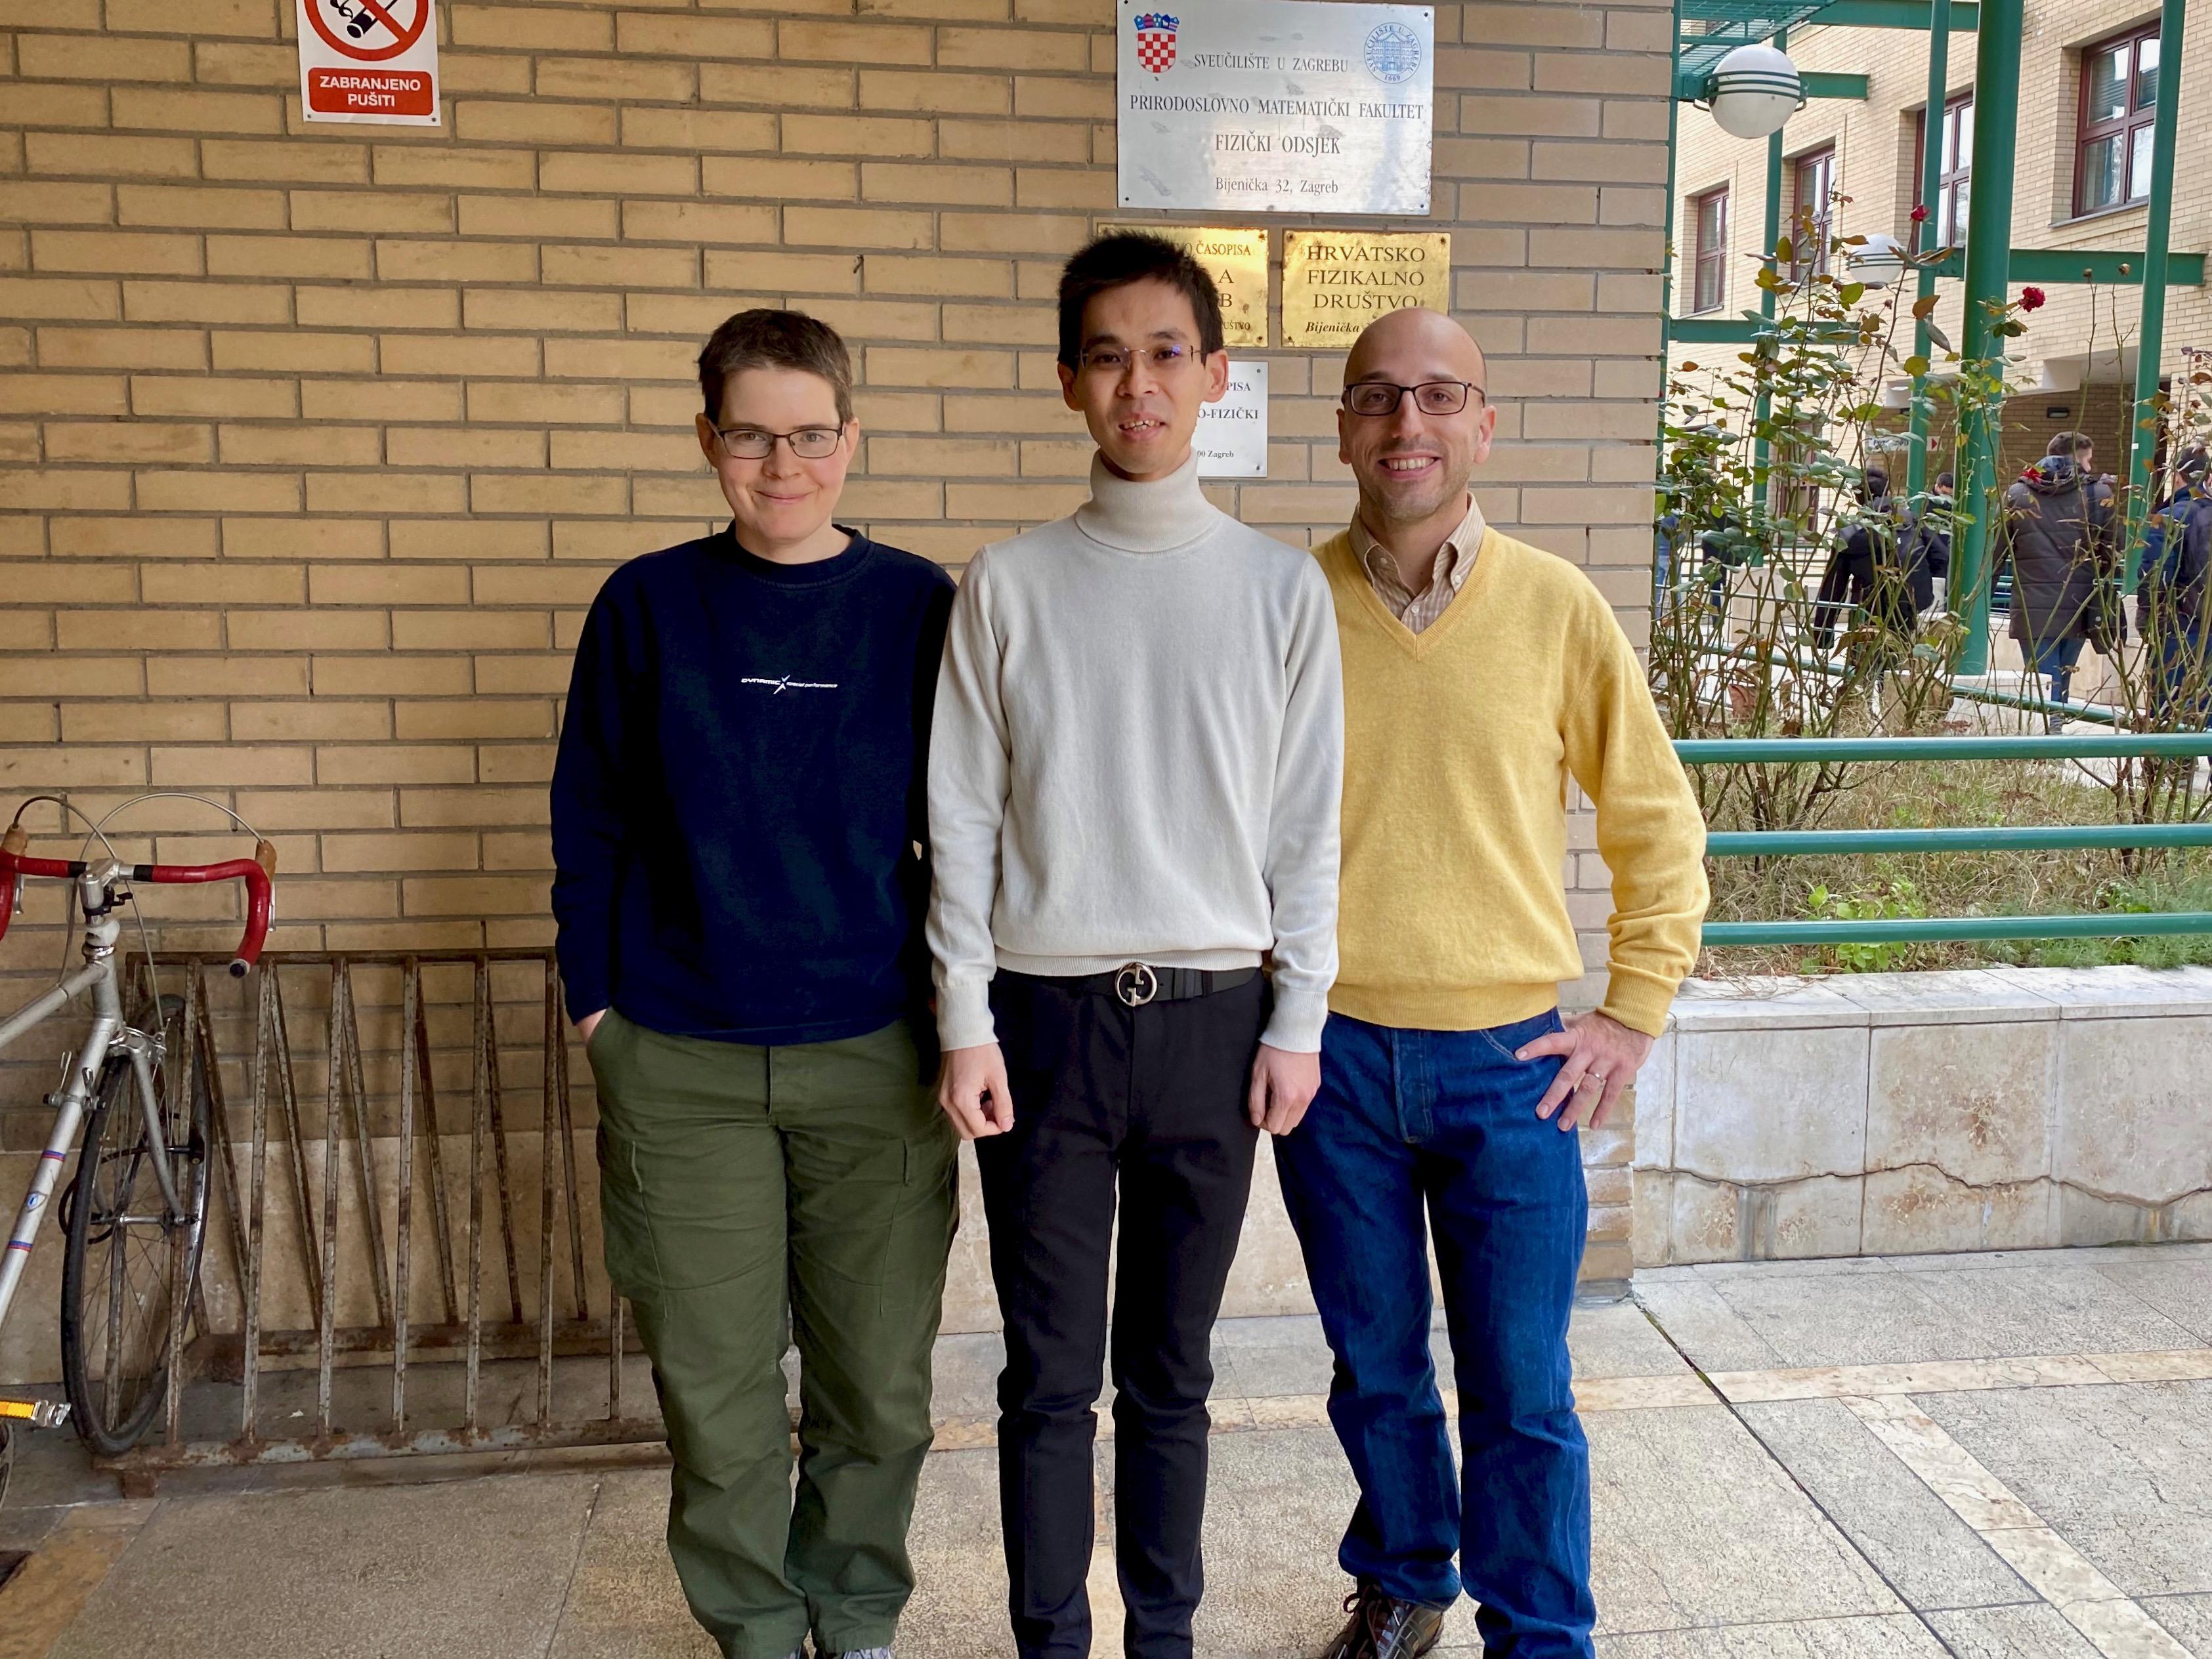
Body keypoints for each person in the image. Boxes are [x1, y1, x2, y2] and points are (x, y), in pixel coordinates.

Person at [927, 231, 1343, 1659]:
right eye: (1105, 353)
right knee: (1046, 1380)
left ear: (1214, 375)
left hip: (1215, 1026)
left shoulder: (1279, 591)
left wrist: (1299, 1020)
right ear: (1066, 382)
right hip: (1040, 1025)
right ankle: (1051, 1639)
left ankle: (1158, 1636)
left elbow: (1305, 831)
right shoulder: (1009, 582)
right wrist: (962, 1015)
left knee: (1171, 1375)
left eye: (1167, 352)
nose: (1138, 383)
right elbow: (960, 814)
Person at [1275, 306, 1707, 1659]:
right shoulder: (1285, 604)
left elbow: (1654, 818)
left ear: (1481, 421)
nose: (1406, 424)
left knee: (1521, 1384)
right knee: (1377, 1367)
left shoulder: (1553, 606)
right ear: (1343, 424)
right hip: (1331, 1057)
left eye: (1437, 396)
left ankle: (1538, 1632)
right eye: (1377, 398)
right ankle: (1404, 1577)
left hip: (1508, 1063)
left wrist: (1632, 1007)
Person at [551, 309, 958, 1659]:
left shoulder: (917, 607)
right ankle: (754, 1626)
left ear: (852, 437)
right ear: (707, 442)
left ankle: (851, 1613)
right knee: (716, 1391)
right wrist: (596, 1006)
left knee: (877, 1389)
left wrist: (961, 1018)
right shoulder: (646, 605)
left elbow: (964, 825)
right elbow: (590, 817)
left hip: (873, 1051)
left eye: (809, 435)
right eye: (749, 435)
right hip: (679, 1054)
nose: (781, 464)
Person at [2001, 440, 2118, 728]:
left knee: (2043, 679)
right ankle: (2053, 743)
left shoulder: (2017, 494)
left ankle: (2049, 745)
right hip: (2080, 605)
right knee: (2062, 679)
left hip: (2031, 606)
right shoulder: (2098, 494)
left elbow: (1998, 548)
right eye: (2088, 460)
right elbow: (2115, 548)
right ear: (2077, 460)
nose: (2090, 467)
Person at [2141, 448, 2212, 728]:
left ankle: (2174, 768)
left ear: (2178, 476)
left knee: (2169, 708)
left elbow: (2155, 576)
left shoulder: (2171, 516)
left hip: (2180, 627)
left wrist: (2150, 622)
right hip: (2198, 624)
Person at [1812, 469, 1903, 650]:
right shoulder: (1910, 521)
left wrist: (1822, 634)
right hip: (1906, 608)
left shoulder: (1850, 533)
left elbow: (1834, 587)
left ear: (1857, 497)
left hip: (1865, 612)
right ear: (1889, 492)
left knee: (1863, 666)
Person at [1902, 470, 1954, 616]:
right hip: (1933, 555)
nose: (1946, 498)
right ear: (1937, 486)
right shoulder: (1925, 504)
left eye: (1950, 495)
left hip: (1942, 552)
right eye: (1944, 492)